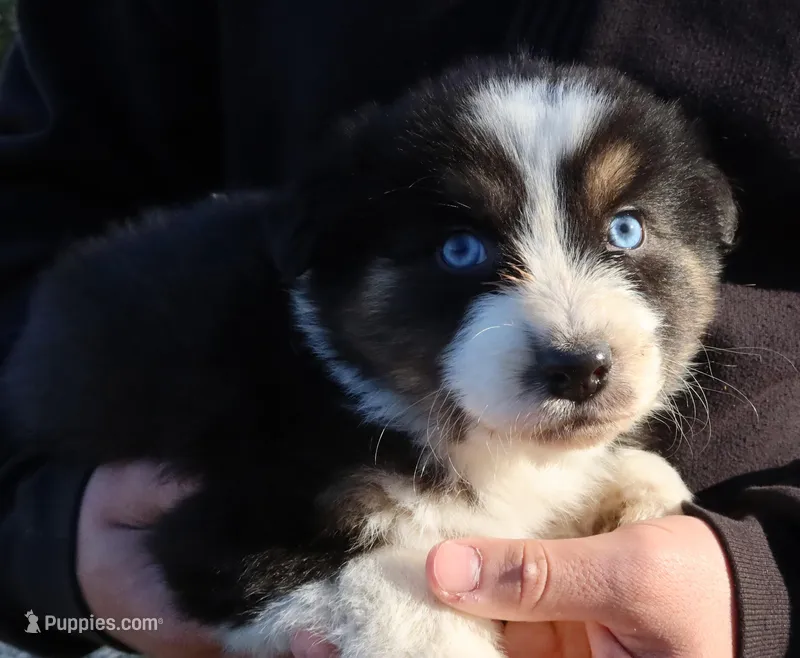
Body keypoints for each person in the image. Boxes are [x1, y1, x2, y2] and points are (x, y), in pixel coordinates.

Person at [0, 1, 798, 657]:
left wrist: (777, 585)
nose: (573, 335)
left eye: (627, 231)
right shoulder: (315, 461)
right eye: (463, 248)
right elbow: (227, 556)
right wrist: (39, 530)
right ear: (330, 261)